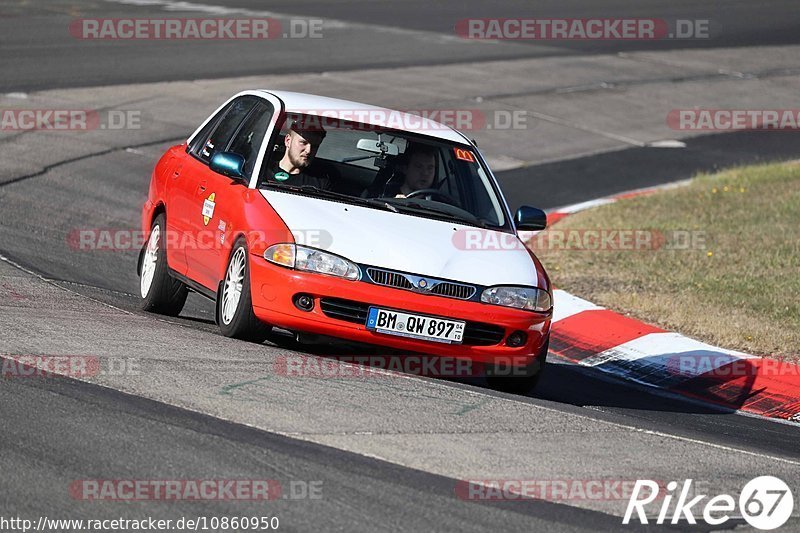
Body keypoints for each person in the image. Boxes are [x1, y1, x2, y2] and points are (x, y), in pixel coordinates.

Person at [264, 117, 330, 189]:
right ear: (288, 141)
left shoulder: (320, 184)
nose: (308, 151)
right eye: (303, 143)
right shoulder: (262, 171)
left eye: (314, 146)